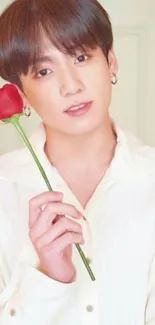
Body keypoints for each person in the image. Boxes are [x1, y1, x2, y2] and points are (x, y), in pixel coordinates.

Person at [0, 0, 155, 324]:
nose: (71, 85)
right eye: (44, 71)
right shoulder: (5, 188)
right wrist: (47, 278)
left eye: (81, 57)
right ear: (22, 94)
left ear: (111, 62)